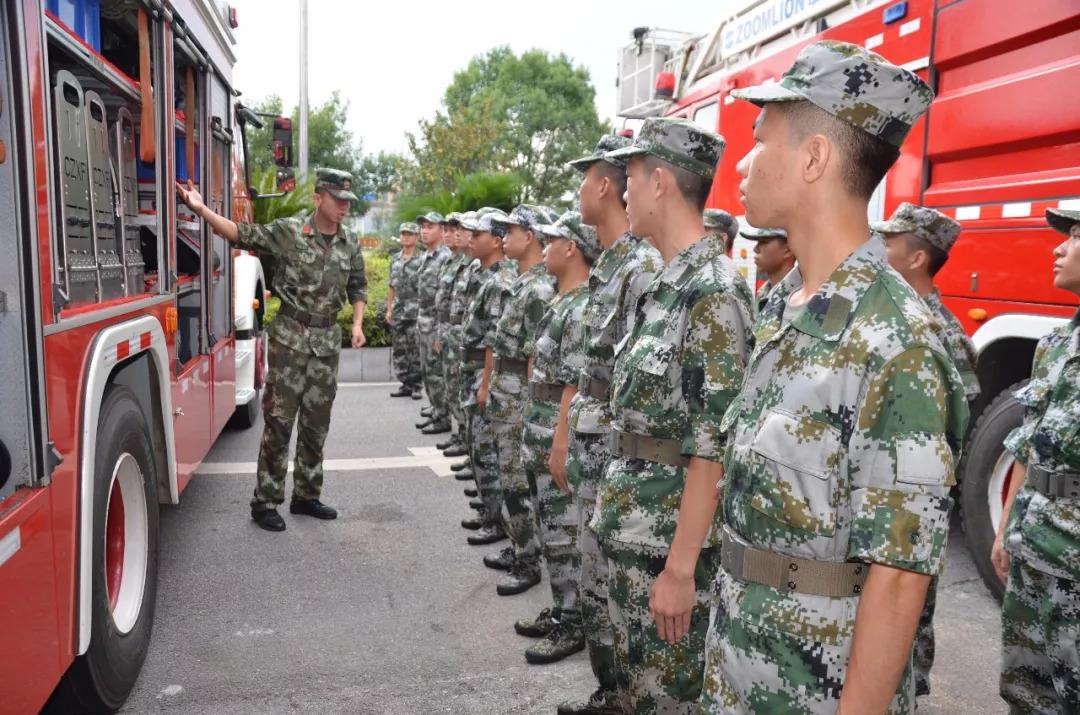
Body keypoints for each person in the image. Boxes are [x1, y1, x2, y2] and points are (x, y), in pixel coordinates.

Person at [700, 41, 968, 714]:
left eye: (761, 140)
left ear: (815, 157)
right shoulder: (784, 303)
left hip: (812, 688)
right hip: (738, 663)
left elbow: (900, 576)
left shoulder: (897, 339)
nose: (744, 159)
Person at [594, 117, 752, 712]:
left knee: (670, 696)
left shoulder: (712, 291)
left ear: (660, 182)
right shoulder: (663, 285)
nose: (624, 190)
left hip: (666, 548)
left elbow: (713, 442)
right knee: (640, 692)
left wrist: (681, 570)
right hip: (634, 531)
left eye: (630, 176)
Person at [176, 168, 367, 532]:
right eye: (337, 199)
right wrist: (201, 209)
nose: (343, 207)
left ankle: (307, 496)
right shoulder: (291, 231)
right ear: (318, 198)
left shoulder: (350, 243)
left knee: (316, 425)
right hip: (289, 340)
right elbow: (240, 233)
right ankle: (265, 500)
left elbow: (358, 286)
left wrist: (357, 324)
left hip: (326, 344)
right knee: (279, 422)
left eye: (347, 202)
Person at [558, 134, 664, 715]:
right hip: (593, 444)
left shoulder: (641, 267)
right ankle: (612, 693)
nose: (578, 192)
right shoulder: (610, 266)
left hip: (620, 455)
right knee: (597, 586)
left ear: (605, 185)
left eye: (583, 179)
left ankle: (624, 695)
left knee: (619, 594)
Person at [876, 203, 982, 701]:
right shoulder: (888, 312)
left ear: (917, 257)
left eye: (890, 240)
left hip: (914, 507)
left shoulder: (942, 335)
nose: (880, 246)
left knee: (905, 631)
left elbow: (945, 440)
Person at [992, 207, 1080, 713]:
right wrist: (1006, 529)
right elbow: (1029, 444)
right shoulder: (1056, 344)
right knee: (1026, 692)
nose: (1058, 248)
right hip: (1035, 548)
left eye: (1075, 236)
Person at [515, 211, 599, 665]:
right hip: (541, 428)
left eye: (553, 240)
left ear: (573, 248)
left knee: (564, 535)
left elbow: (573, 384)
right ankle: (563, 608)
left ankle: (572, 623)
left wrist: (560, 443)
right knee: (551, 533)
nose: (544, 247)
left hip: (556, 433)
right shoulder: (561, 301)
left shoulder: (583, 306)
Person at [485, 205, 557, 596]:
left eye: (511, 231)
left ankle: (528, 560)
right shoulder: (523, 281)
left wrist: (531, 409)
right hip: (505, 393)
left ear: (530, 236)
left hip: (519, 400)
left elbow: (536, 359)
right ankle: (520, 548)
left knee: (517, 483)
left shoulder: (540, 289)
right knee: (510, 480)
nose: (505, 237)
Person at [461, 210, 518, 546]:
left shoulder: (500, 281)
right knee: (478, 447)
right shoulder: (482, 275)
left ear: (496, 241)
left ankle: (497, 521)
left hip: (487, 375)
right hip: (474, 371)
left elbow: (492, 340)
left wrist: (486, 383)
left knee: (488, 451)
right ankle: (490, 511)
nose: (471, 239)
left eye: (478, 234)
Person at [435, 212, 473, 455]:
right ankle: (461, 435)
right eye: (450, 229)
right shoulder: (452, 261)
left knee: (462, 388)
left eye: (460, 229)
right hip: (450, 330)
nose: (455, 233)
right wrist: (441, 332)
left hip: (462, 333)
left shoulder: (471, 264)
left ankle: (465, 440)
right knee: (452, 386)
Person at [415, 212, 453, 435]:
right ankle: (436, 408)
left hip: (435, 323)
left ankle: (442, 416)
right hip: (423, 321)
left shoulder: (444, 257)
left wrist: (440, 330)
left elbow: (445, 298)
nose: (424, 230)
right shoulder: (426, 256)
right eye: (423, 226)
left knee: (436, 372)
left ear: (440, 230)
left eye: (430, 226)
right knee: (426, 370)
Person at [387, 222, 424, 399]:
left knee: (415, 349)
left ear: (417, 237)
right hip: (399, 310)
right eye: (403, 234)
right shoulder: (395, 259)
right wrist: (389, 309)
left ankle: (417, 385)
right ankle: (405, 384)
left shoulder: (423, 259)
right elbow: (391, 286)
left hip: (415, 310)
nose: (405, 237)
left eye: (409, 234)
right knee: (400, 349)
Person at [741, 225, 793, 314]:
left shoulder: (797, 298)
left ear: (788, 250)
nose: (755, 249)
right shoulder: (763, 292)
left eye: (764, 242)